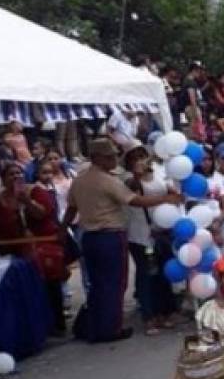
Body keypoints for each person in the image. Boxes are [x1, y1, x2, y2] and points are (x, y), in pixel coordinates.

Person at [61, 138, 184, 342]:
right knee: (115, 284)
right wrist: (164, 199)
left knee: (98, 284)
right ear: (97, 158)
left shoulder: (80, 179)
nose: (113, 160)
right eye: (109, 156)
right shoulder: (107, 180)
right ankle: (111, 328)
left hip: (89, 236)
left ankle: (95, 325)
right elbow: (134, 200)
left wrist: (62, 227)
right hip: (110, 235)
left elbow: (71, 208)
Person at [0, 162, 67, 335]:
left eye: (18, 173)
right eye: (11, 174)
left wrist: (27, 202)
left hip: (41, 249)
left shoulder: (35, 192)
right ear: (3, 179)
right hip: (11, 251)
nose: (15, 177)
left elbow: (42, 213)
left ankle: (57, 323)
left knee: (49, 286)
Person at [124, 147, 177, 335]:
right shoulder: (129, 180)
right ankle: (149, 315)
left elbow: (172, 191)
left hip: (162, 232)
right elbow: (133, 194)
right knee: (147, 274)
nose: (141, 161)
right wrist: (138, 177)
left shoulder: (160, 175)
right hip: (141, 235)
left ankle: (166, 311)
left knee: (163, 273)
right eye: (136, 158)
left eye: (143, 157)